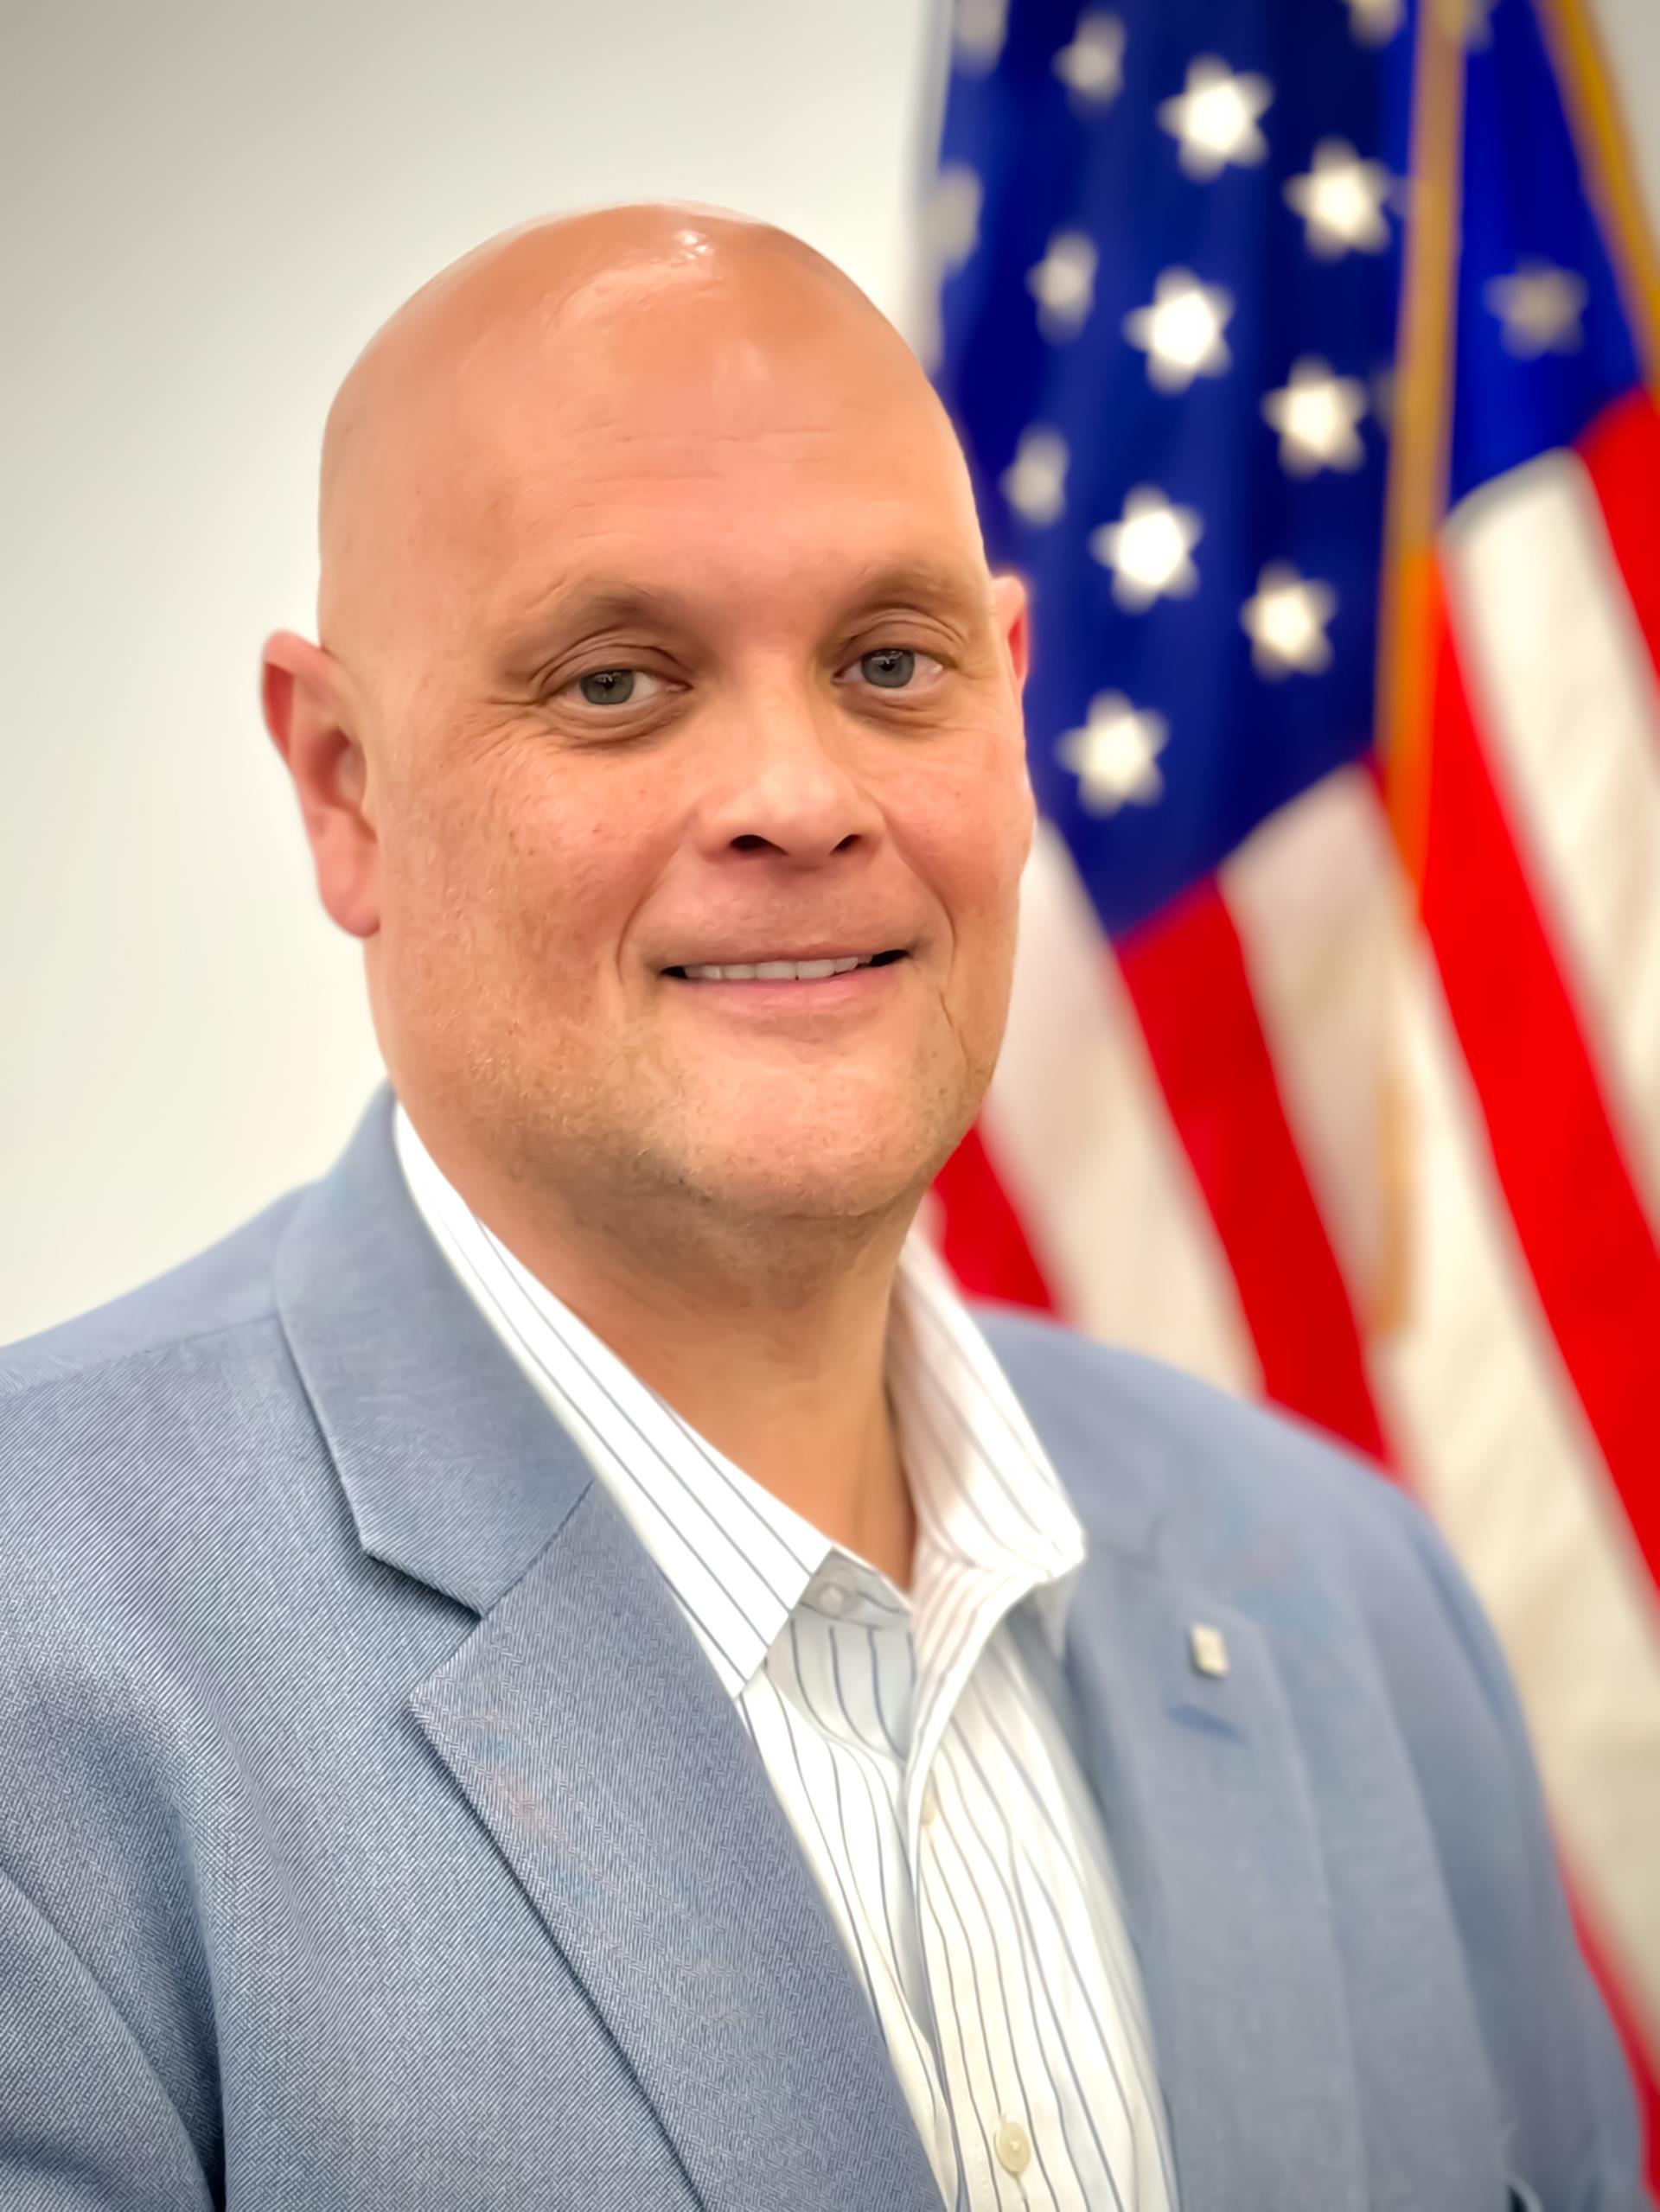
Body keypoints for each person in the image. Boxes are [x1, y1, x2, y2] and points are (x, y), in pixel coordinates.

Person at [0, 205, 1643, 2212]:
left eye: (890, 662)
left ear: (1012, 699)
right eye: (616, 682)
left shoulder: (1358, 1594)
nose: (802, 789)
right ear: (345, 784)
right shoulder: (39, 1663)